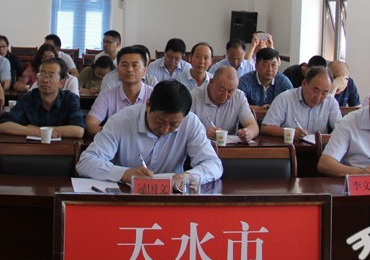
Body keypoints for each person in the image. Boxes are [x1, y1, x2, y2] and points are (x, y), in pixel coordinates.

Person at [76, 80, 223, 184]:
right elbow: (86, 162)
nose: (165, 129)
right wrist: (124, 174)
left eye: (174, 124)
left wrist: (189, 177)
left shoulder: (191, 122)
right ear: (147, 105)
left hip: (171, 198)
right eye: (159, 121)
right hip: (126, 198)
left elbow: (213, 164)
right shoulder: (121, 120)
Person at [0, 58, 85, 139]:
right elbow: (3, 125)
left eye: (51, 76)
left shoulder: (70, 99)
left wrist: (40, 129)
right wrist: (36, 132)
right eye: (42, 75)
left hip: (60, 149)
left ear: (61, 83)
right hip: (30, 148)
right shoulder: (27, 98)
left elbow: (79, 130)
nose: (45, 80)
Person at [86, 46, 153, 135]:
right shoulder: (107, 95)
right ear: (117, 70)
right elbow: (90, 125)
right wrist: (118, 135)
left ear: (144, 71)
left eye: (135, 65)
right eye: (124, 65)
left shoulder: (154, 95)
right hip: (115, 142)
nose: (129, 69)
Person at [260, 66, 341, 139]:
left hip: (320, 148)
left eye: (324, 92)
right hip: (291, 148)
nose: (318, 97)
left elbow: (341, 129)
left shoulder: (330, 102)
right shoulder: (285, 98)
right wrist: (289, 132)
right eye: (315, 90)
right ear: (304, 83)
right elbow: (265, 128)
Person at [190, 66, 258, 143]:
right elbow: (185, 127)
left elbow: (253, 126)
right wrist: (203, 132)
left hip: (230, 147)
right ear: (211, 82)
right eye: (221, 89)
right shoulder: (194, 96)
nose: (225, 95)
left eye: (230, 91)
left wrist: (249, 133)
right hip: (200, 145)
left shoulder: (238, 96)